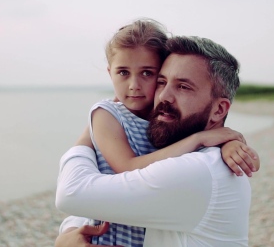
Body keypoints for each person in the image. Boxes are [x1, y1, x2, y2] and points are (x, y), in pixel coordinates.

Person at [55, 35, 257, 246]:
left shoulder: (199, 171)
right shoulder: (185, 153)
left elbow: (72, 194)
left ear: (219, 110)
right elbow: (108, 196)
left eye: (183, 87)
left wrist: (92, 130)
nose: (163, 97)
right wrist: (71, 231)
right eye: (161, 82)